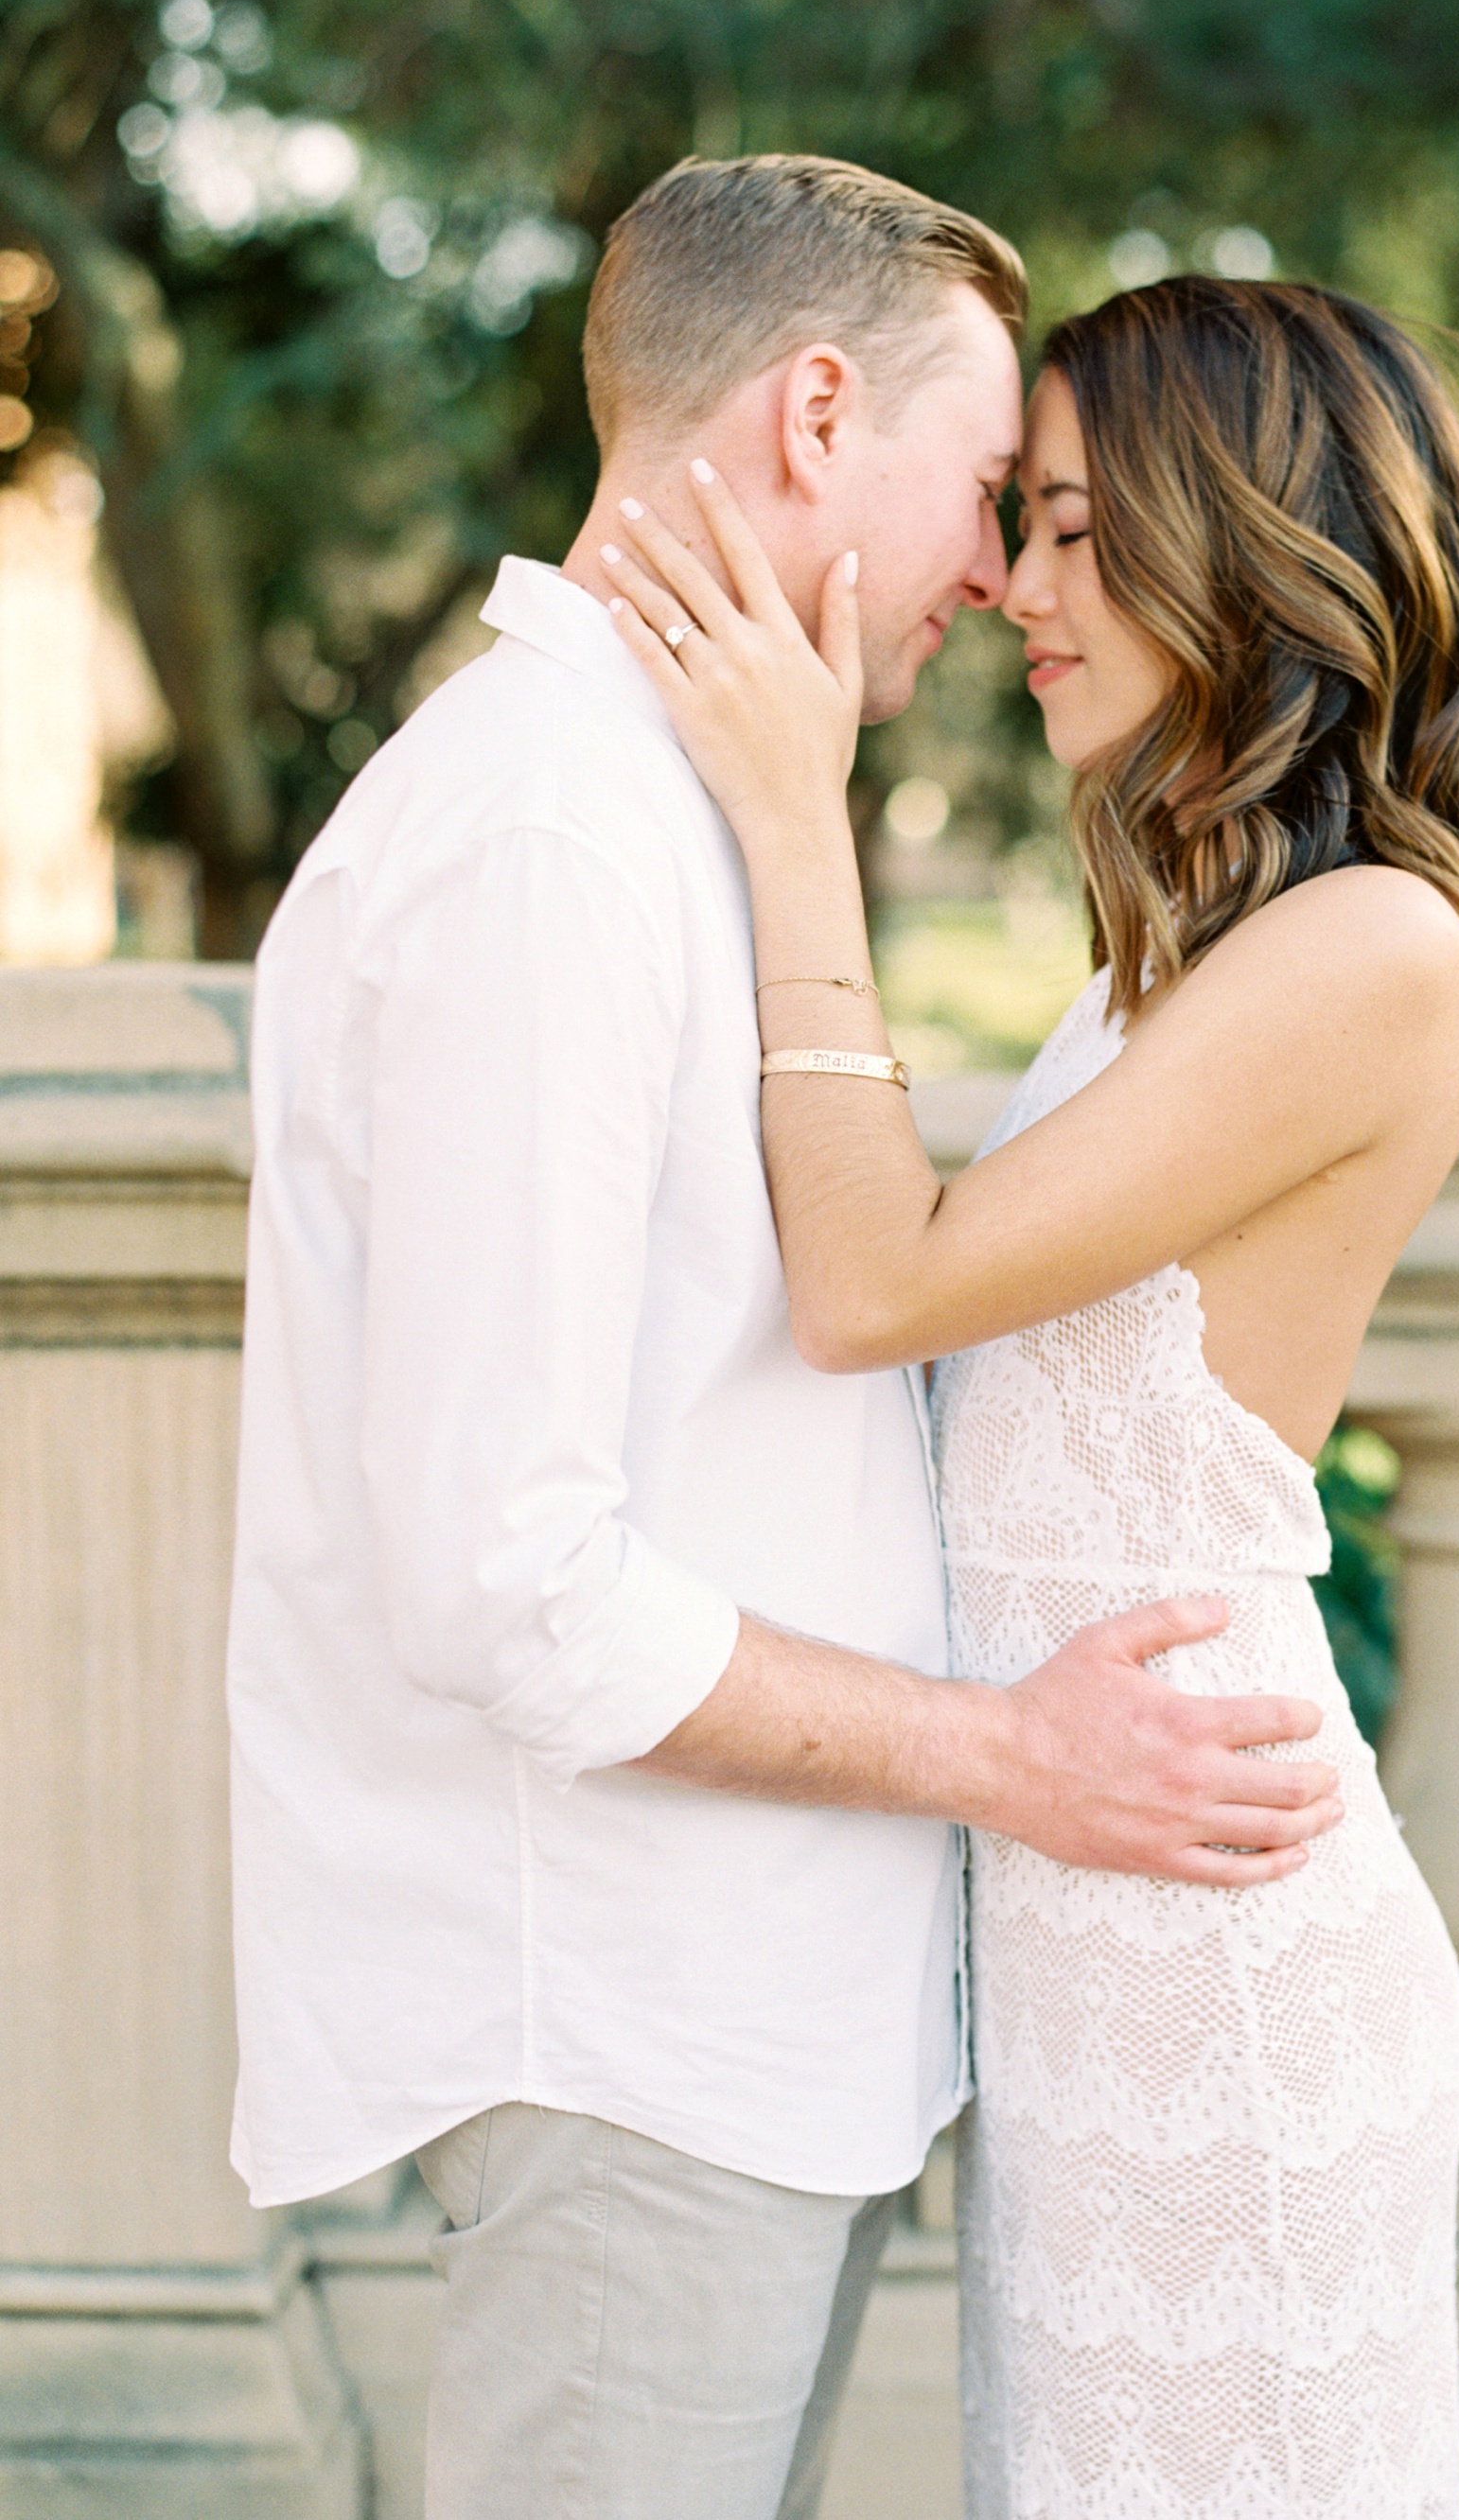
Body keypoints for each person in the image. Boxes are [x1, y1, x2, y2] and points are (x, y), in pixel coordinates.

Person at [225, 161, 1345, 2520]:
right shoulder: (554, 836)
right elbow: (503, 1570)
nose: (997, 573)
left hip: (739, 2020)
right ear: (816, 414)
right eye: (986, 496)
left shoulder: (678, 814)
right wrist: (1004, 1754)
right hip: (635, 2028)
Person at [603, 269, 1459, 2518]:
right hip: (1089, 1904)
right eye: (1014, 525)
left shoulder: (1375, 947)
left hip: (1217, 1939)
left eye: (1062, 527)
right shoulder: (1196, 941)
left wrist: (791, 821)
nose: (1008, 585)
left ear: (1232, 537)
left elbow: (875, 1285)